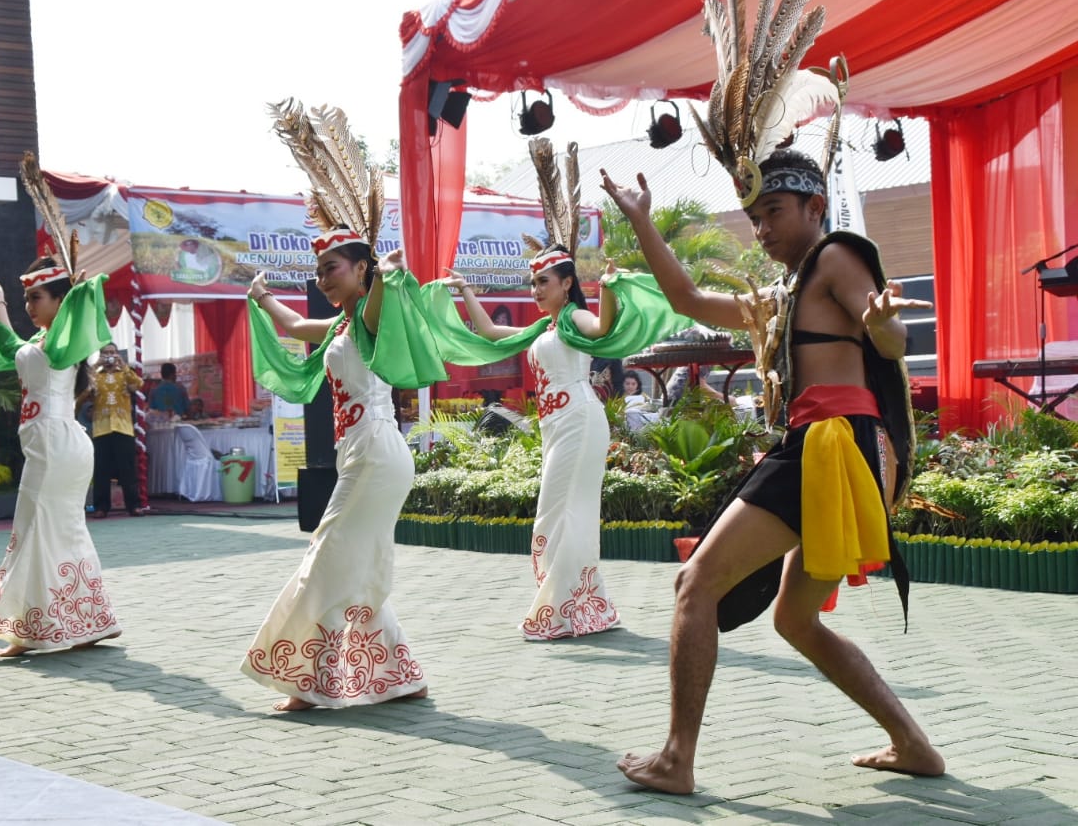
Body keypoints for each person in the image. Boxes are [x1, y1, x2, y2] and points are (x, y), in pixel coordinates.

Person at [603, 148, 944, 790]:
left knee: (696, 583)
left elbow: (888, 337)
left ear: (816, 207)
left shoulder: (837, 258)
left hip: (830, 444)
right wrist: (643, 221)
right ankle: (913, 744)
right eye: (754, 217)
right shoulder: (786, 294)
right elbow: (687, 297)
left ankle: (677, 759)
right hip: (830, 451)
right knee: (794, 619)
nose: (761, 229)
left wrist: (887, 328)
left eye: (774, 212)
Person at [422, 138, 689, 641]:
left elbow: (602, 330)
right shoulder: (543, 329)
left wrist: (608, 290)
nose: (536, 290)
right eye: (533, 282)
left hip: (579, 421)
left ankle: (560, 608)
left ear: (566, 284)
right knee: (571, 512)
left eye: (543, 281)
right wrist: (465, 292)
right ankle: (582, 607)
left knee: (558, 511)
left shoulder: (573, 317)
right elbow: (491, 335)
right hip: (558, 426)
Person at [241, 99, 447, 710]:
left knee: (329, 556)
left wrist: (382, 272)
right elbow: (296, 323)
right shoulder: (339, 326)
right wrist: (261, 297)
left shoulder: (371, 317)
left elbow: (379, 294)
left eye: (332, 268)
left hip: (376, 455)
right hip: (368, 454)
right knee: (354, 562)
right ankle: (397, 674)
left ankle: (308, 681)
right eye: (320, 269)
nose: (323, 277)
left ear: (359, 270)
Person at [0, 154, 120, 657]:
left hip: (54, 443)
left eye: (37, 300)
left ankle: (27, 630)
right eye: (27, 302)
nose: (30, 308)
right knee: (59, 530)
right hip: (56, 444)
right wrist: (1, 303)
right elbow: (9, 347)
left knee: (36, 529)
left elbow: (72, 314)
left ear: (59, 304)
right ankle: (88, 620)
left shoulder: (64, 342)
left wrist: (80, 293)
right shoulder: (41, 344)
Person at [88, 342, 144, 519]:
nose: (109, 356)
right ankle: (101, 507)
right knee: (101, 470)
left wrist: (124, 366)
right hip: (102, 428)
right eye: (105, 353)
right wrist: (95, 367)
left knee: (127, 469)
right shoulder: (96, 376)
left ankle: (133, 505)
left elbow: (138, 384)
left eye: (112, 352)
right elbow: (82, 391)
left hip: (123, 428)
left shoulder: (125, 374)